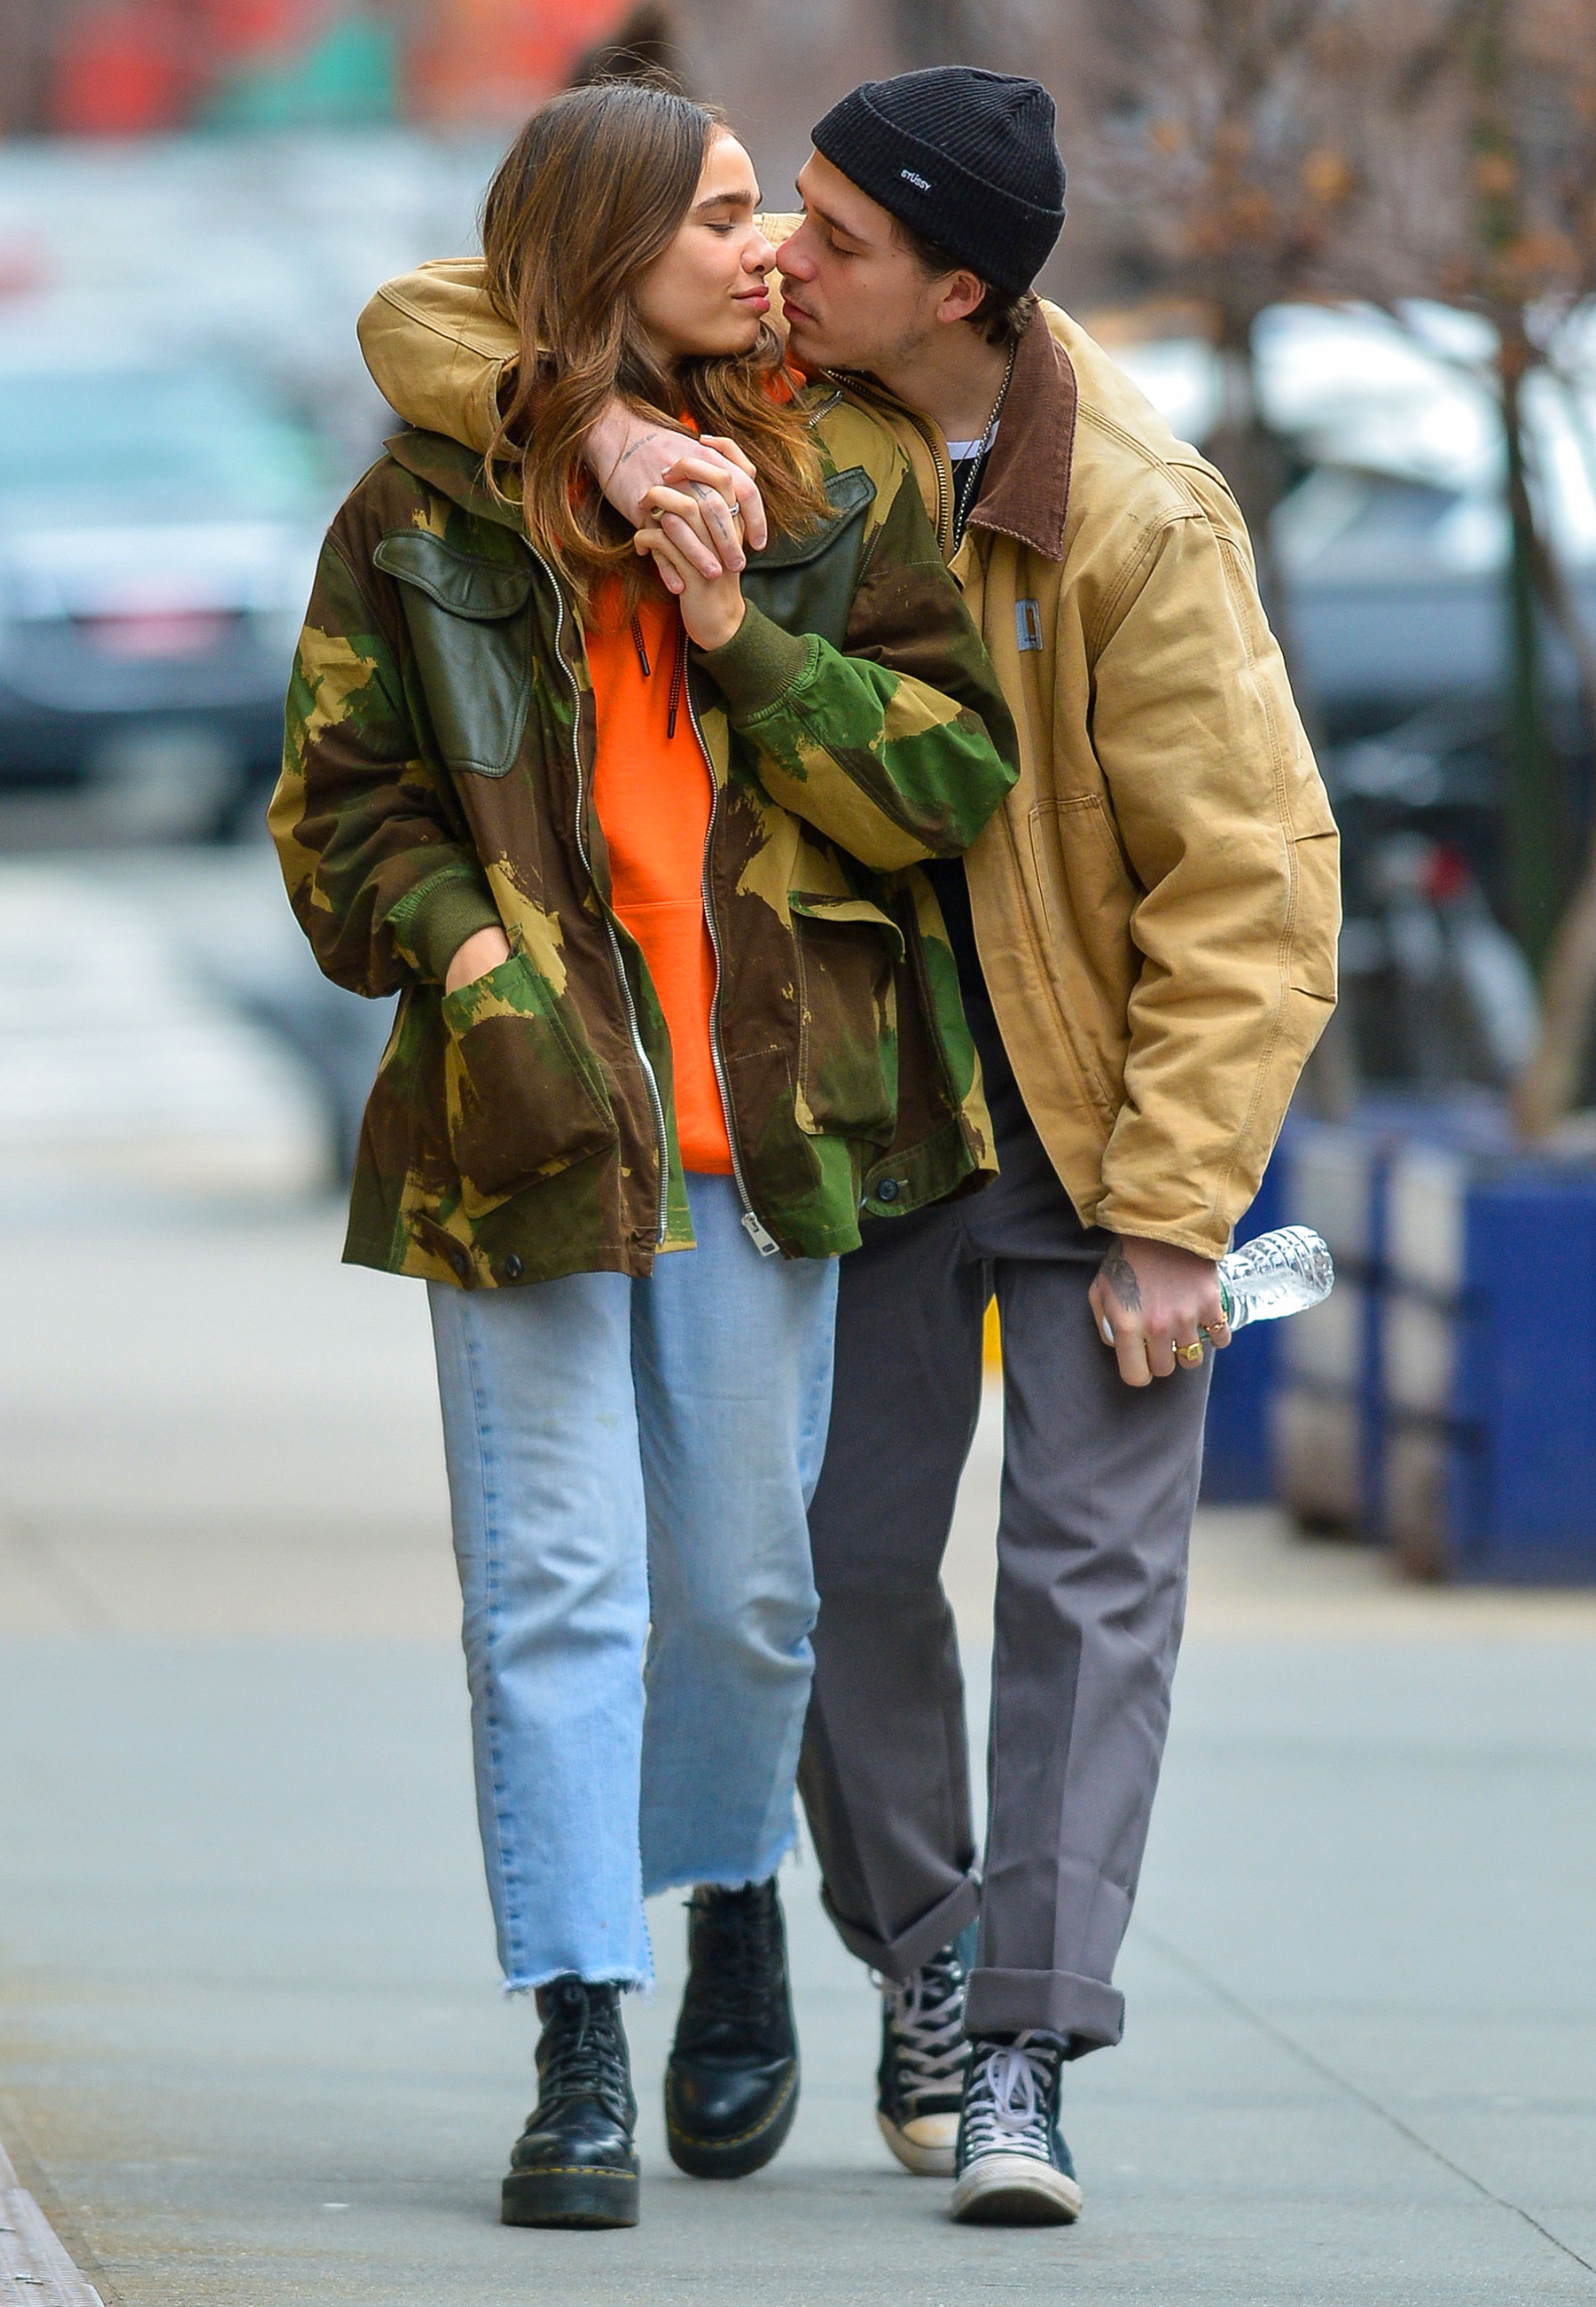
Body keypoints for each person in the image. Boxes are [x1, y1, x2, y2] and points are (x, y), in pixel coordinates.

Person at [360, 64, 1341, 2231]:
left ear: (958, 286)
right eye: (768, 213)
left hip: (1093, 1131)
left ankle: (1022, 2050)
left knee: (1085, 1581)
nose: (785, 255)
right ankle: (914, 1950)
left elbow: (1252, 891)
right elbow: (455, 311)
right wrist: (593, 424)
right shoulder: (812, 406)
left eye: (834, 231)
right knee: (826, 1574)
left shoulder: (1135, 515)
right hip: (871, 1123)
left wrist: (1182, 1214)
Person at [270, 77, 1020, 2234]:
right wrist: (474, 952)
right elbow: (338, 826)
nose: (763, 242)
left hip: (765, 1135)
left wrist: (734, 632)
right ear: (607, 251)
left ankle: (727, 1895)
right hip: (518, 1134)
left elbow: (944, 783)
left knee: (745, 1590)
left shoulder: (833, 479)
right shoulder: (425, 509)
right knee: (557, 1590)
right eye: (716, 213)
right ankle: (579, 2022)